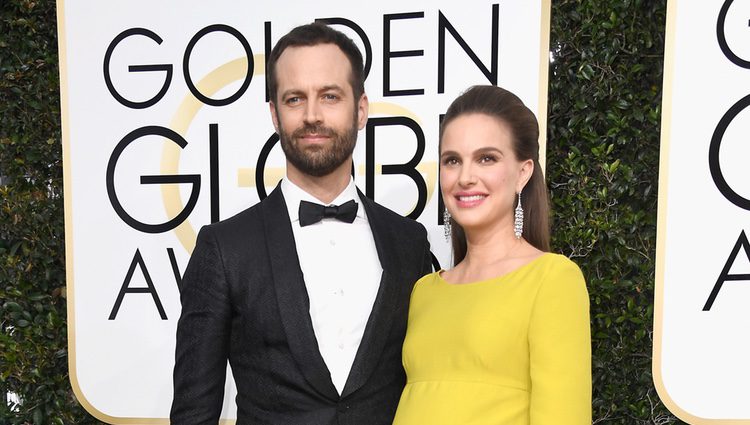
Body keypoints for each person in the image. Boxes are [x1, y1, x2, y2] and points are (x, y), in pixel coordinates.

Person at [170, 23, 432, 424]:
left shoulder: (409, 242)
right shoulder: (225, 249)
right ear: (274, 114)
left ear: (360, 109)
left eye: (330, 96)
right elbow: (194, 411)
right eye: (295, 99)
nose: (312, 115)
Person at [393, 85, 591, 424]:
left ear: (523, 172)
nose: (465, 177)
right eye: (452, 160)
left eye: (486, 158)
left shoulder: (552, 279)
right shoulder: (424, 290)